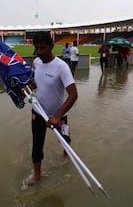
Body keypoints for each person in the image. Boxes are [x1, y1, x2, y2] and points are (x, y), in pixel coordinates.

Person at [25, 32, 78, 186]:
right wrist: (30, 87)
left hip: (59, 116)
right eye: (37, 48)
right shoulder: (37, 62)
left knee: (65, 141)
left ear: (51, 46)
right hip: (38, 112)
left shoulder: (62, 67)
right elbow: (38, 82)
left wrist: (57, 116)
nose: (39, 52)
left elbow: (74, 95)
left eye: (43, 48)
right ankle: (37, 176)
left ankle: (66, 159)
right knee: (37, 145)